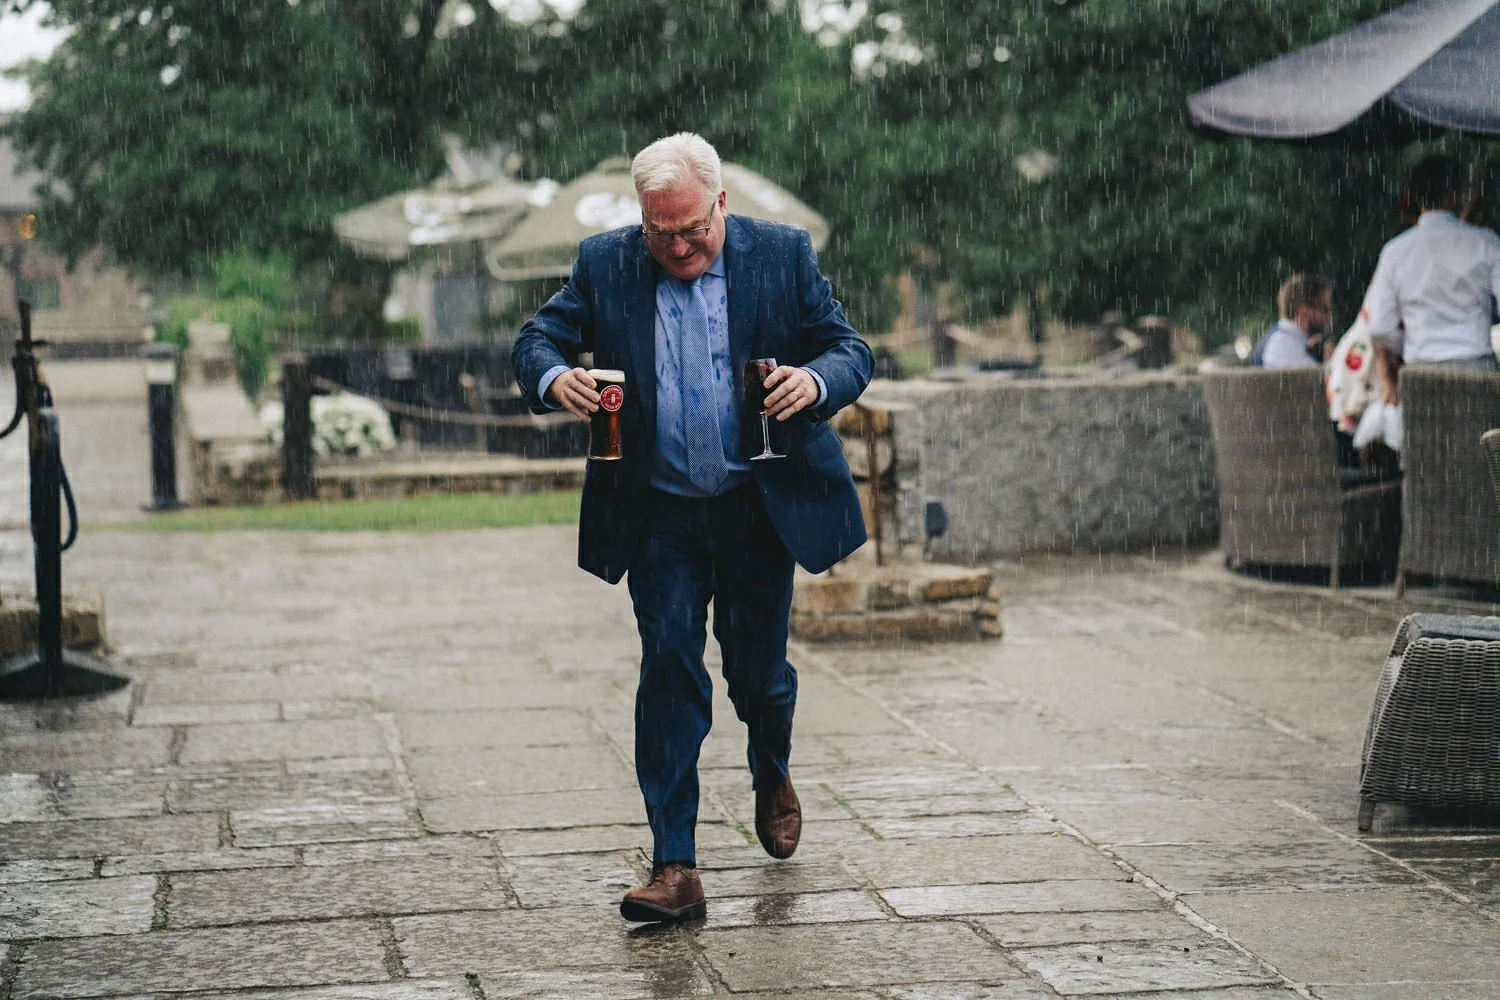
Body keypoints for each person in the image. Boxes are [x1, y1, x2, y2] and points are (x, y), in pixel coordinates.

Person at [511, 132, 873, 924]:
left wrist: (814, 382)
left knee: (759, 678)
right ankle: (675, 863)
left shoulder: (782, 254)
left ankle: (770, 762)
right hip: (660, 512)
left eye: (692, 230)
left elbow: (850, 349)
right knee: (670, 667)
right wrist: (553, 375)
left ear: (721, 204)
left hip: (756, 505)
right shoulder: (605, 261)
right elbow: (534, 339)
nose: (676, 247)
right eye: (659, 232)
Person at [1364, 155, 1500, 403]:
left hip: (1420, 374)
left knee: (1425, 443)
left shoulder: (1395, 251)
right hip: (1476, 369)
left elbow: (1380, 327)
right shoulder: (1486, 242)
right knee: (1480, 441)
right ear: (1455, 193)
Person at [1249, 274, 1333, 369]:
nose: (1329, 315)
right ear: (1303, 311)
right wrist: (1330, 362)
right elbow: (1320, 381)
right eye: (1325, 308)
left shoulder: (1286, 339)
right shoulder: (1283, 343)